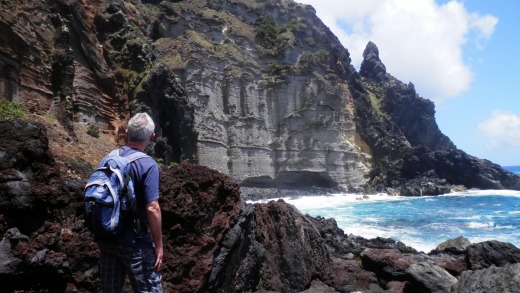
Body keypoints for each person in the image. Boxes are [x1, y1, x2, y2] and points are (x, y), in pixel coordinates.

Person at [97, 112, 163, 293]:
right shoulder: (148, 165)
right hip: (135, 244)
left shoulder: (108, 158)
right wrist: (159, 246)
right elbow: (152, 208)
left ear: (127, 132)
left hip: (108, 239)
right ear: (152, 137)